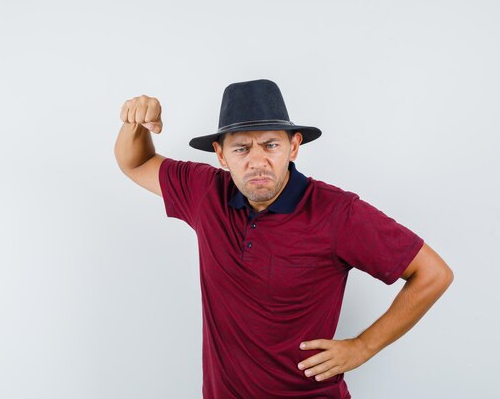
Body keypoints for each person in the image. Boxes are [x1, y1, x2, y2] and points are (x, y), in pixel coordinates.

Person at [114, 79, 453, 399]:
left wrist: (363, 347)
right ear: (220, 154)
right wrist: (136, 123)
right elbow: (137, 161)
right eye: (241, 148)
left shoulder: (338, 213)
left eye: (270, 145)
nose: (257, 161)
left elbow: (433, 274)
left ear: (293, 146)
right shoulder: (206, 193)